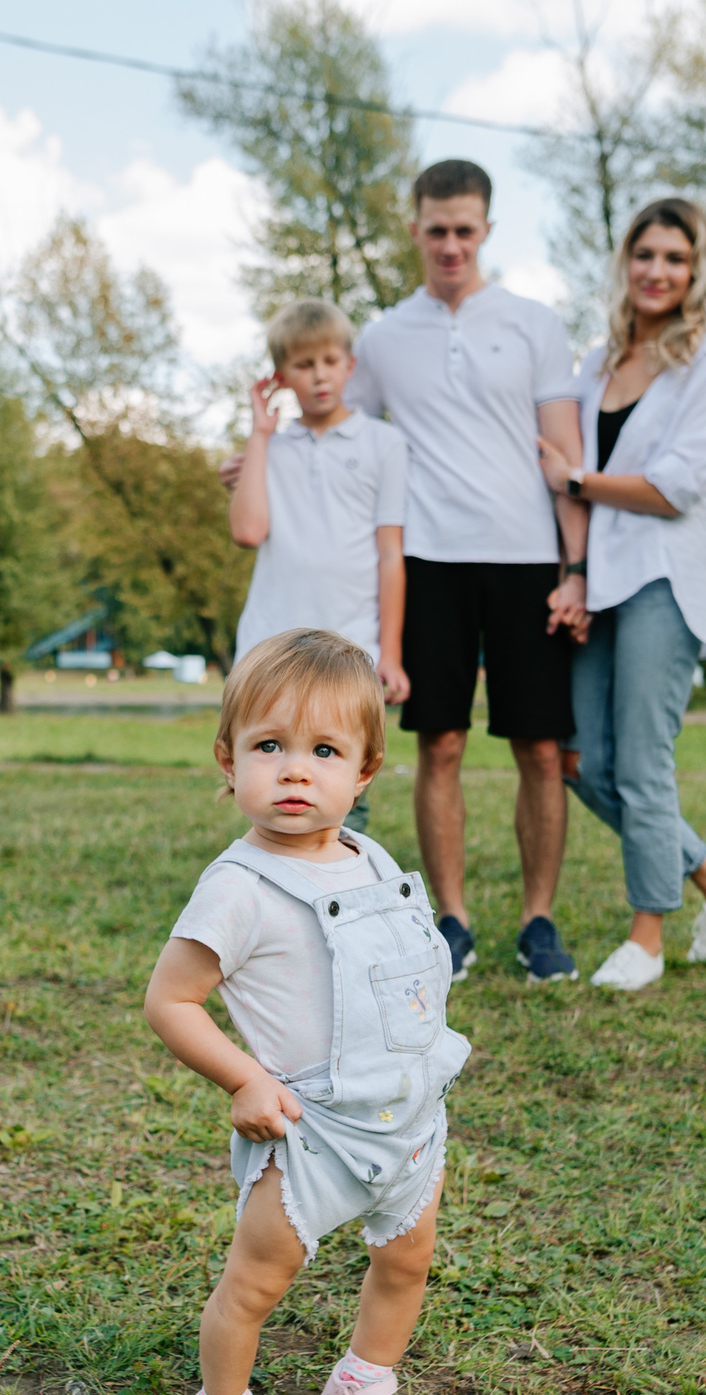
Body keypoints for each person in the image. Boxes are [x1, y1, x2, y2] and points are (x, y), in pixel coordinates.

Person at [233, 160, 592, 984]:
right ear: (415, 228)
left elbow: (565, 457)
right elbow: (335, 431)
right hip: (429, 559)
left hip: (527, 558)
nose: (451, 245)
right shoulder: (384, 337)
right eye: (437, 230)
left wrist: (575, 568)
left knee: (541, 750)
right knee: (442, 743)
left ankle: (538, 922)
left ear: (487, 229)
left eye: (465, 230)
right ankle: (452, 920)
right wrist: (256, 465)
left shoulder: (535, 324)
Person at [144, 629, 467, 1395]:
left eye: (324, 751)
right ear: (229, 759)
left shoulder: (376, 862)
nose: (295, 770)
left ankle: (362, 1386)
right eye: (269, 746)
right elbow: (170, 1000)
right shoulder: (238, 887)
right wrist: (245, 1078)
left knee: (406, 1262)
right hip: (309, 1130)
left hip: (406, 1119)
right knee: (256, 1281)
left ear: (364, 772)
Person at [537, 198, 706, 991]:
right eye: (646, 255)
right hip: (599, 579)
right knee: (581, 760)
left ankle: (647, 939)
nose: (658, 271)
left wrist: (576, 479)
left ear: (696, 270)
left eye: (675, 258)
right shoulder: (597, 362)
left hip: (663, 579)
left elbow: (674, 489)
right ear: (626, 262)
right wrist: (573, 572)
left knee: (641, 761)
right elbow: (555, 450)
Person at [227, 299, 411, 833]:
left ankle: (342, 885)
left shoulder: (384, 443)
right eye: (304, 365)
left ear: (350, 365)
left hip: (352, 646)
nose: (320, 376)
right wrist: (260, 434)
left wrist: (391, 652)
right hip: (269, 644)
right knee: (271, 786)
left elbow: (391, 553)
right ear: (281, 376)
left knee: (341, 792)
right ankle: (273, 884)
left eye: (330, 361)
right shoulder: (269, 449)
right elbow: (247, 531)